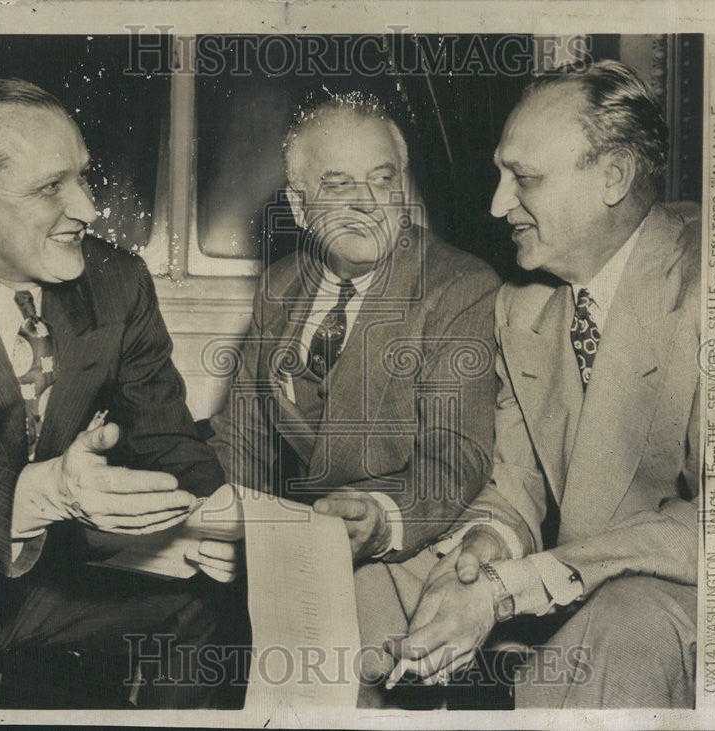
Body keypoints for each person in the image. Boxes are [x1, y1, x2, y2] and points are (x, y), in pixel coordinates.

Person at [0, 78, 233, 708]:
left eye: (82, 176)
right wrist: (44, 492)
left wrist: (219, 522)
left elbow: (168, 437)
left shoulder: (116, 282)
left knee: (196, 607)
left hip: (34, 583)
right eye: (52, 187)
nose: (90, 208)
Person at [386, 60, 701, 708]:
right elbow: (516, 485)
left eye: (523, 179)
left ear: (612, 177)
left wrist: (508, 588)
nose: (497, 204)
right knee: (371, 591)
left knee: (622, 630)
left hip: (704, 599)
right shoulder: (522, 306)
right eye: (502, 174)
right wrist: (479, 553)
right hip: (574, 588)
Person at [207, 94, 501, 704]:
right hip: (295, 552)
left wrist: (383, 520)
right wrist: (205, 509)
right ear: (299, 205)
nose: (366, 205)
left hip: (406, 556)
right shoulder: (282, 283)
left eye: (382, 180)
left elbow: (457, 458)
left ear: (404, 188)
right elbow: (243, 436)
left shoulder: (459, 286)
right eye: (338, 185)